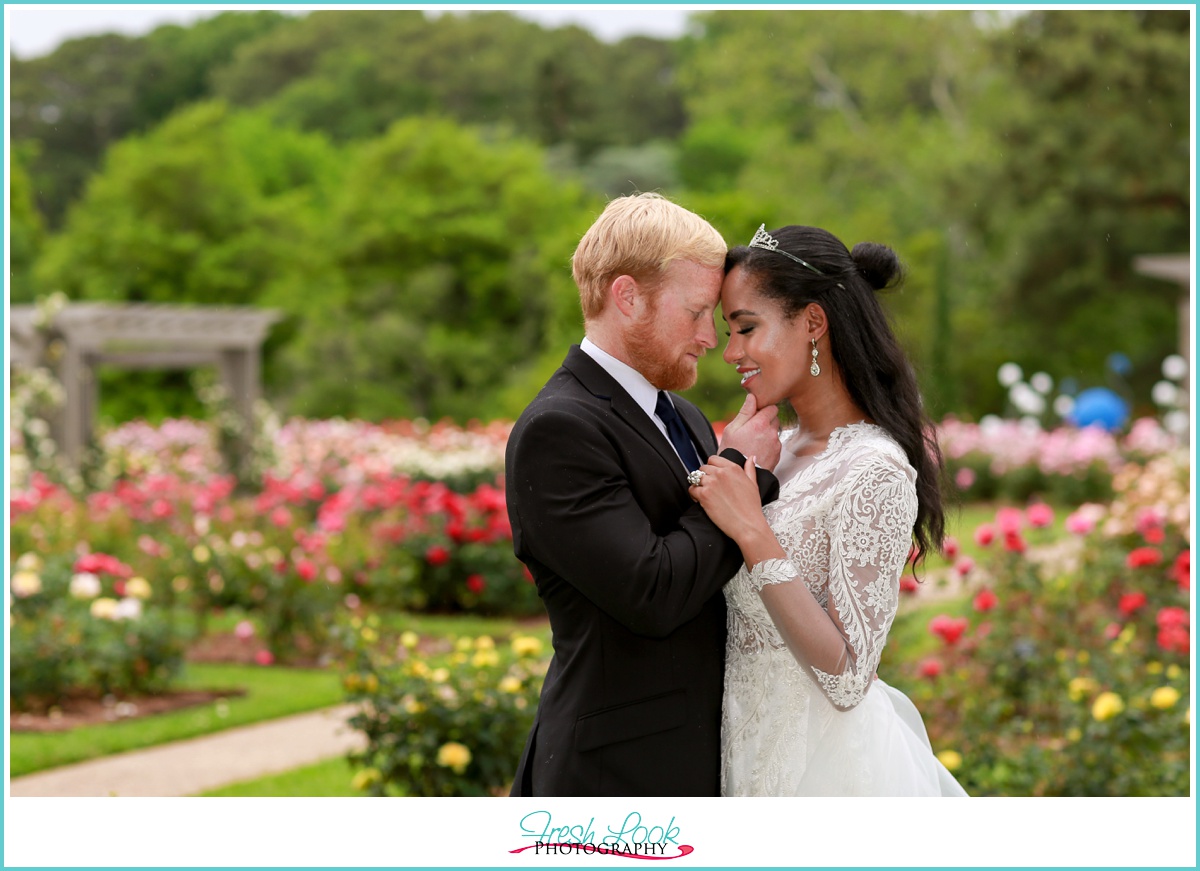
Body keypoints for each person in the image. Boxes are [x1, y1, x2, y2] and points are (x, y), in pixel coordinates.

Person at [505, 194, 782, 797]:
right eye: (697, 312)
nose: (711, 338)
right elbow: (651, 591)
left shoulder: (680, 412)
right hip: (614, 776)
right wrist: (743, 471)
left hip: (692, 756)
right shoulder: (560, 429)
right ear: (627, 297)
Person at [688, 223, 968, 796]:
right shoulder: (777, 451)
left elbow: (846, 677)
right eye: (727, 331)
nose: (731, 351)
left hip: (824, 772)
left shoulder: (874, 469)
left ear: (813, 323)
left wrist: (750, 528)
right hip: (740, 749)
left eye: (745, 328)